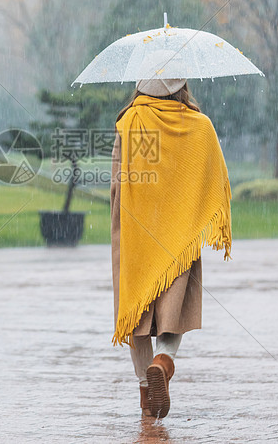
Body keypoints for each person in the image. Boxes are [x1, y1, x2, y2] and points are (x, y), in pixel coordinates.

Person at [110, 76, 232, 419]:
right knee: (173, 311)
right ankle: (164, 362)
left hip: (138, 233)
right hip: (179, 235)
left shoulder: (129, 121)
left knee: (136, 312)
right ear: (182, 84)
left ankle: (146, 394)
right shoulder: (199, 125)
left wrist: (121, 229)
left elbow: (118, 185)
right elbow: (216, 180)